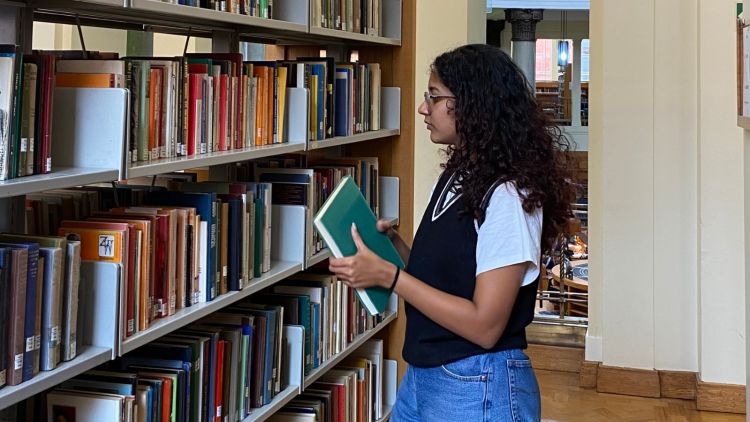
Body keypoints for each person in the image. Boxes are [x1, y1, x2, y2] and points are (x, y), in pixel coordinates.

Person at [328, 44, 573, 421]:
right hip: (426, 374)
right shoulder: (457, 176)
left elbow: (485, 326)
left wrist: (390, 277)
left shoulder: (509, 196)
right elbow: (444, 281)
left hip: (479, 383)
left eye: (435, 97)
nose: (423, 108)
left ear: (475, 105)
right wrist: (393, 249)